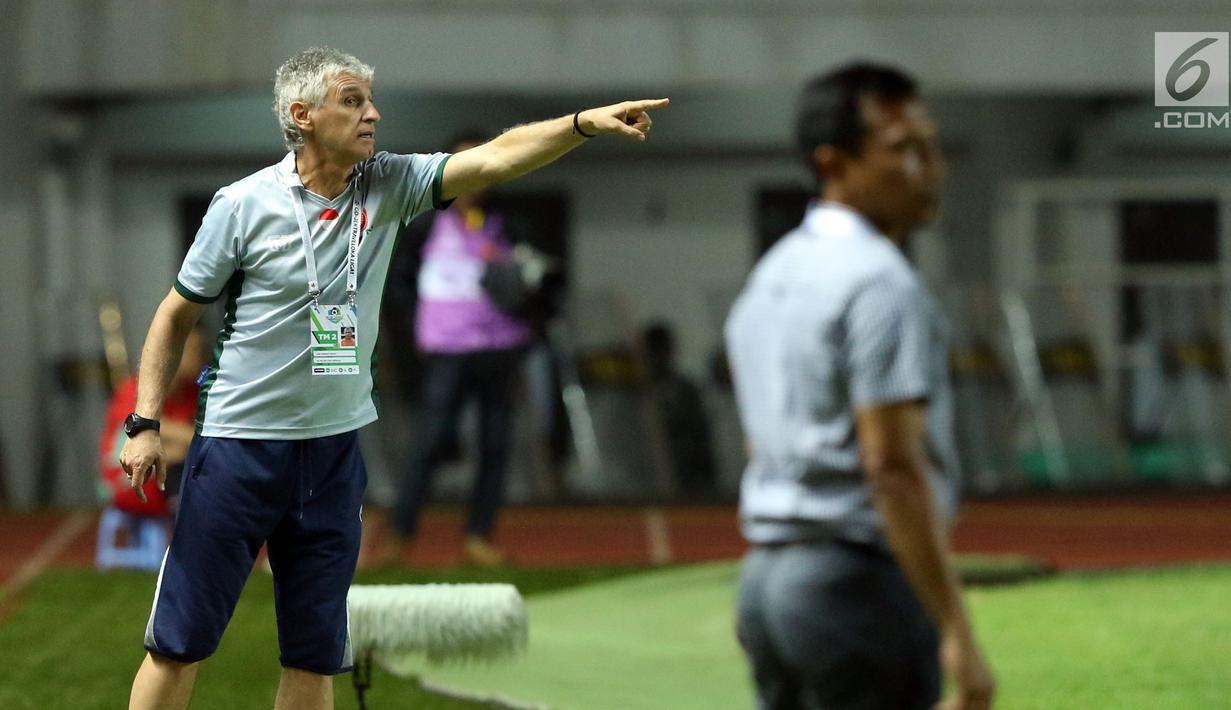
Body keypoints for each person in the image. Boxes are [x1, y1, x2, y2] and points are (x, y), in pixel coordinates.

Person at [119, 46, 667, 710]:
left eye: (371, 100)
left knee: (315, 655)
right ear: (303, 114)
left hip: (331, 454)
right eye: (352, 101)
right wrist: (145, 422)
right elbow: (174, 315)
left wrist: (581, 124)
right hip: (239, 448)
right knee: (179, 643)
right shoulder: (240, 205)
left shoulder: (392, 182)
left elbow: (497, 157)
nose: (373, 113)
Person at [724, 63, 995, 710]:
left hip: (764, 583)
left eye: (930, 147)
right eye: (903, 149)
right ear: (833, 163)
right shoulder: (881, 283)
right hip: (852, 586)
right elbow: (891, 468)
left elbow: (760, 440)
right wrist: (956, 630)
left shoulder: (772, 274)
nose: (930, 169)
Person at [383, 132, 539, 567]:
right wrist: (415, 332)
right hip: (446, 351)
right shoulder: (423, 224)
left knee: (495, 444)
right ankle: (399, 537)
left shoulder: (509, 224)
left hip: (499, 350)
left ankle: (478, 538)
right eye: (461, 164)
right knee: (429, 440)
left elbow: (533, 282)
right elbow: (398, 285)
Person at [642, 321, 718, 499]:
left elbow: (701, 438)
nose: (659, 357)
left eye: (662, 350)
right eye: (655, 351)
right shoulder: (639, 394)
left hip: (690, 479)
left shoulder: (685, 390)